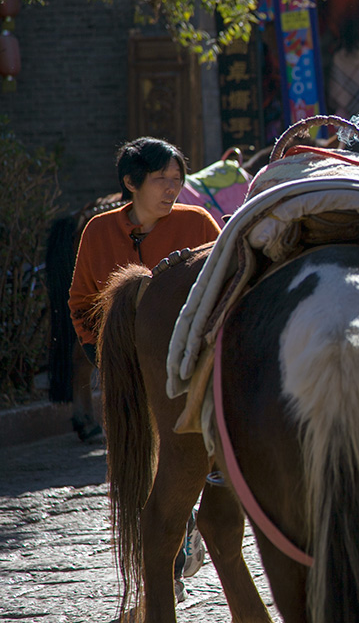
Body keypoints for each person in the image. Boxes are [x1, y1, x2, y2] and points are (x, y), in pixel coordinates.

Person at [67, 137, 221, 602]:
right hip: (127, 372)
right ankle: (162, 572)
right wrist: (100, 354)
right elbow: (80, 301)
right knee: (138, 467)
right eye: (161, 180)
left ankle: (182, 542)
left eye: (178, 179)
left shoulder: (199, 224)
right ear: (131, 183)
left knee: (188, 461)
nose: (172, 188)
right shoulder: (98, 231)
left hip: (187, 372)